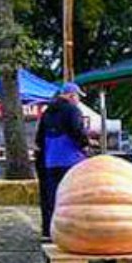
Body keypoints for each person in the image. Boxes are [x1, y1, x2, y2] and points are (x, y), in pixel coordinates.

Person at [35, 82, 90, 239]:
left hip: (50, 161)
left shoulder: (47, 112)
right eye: (78, 96)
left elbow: (39, 139)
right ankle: (71, 232)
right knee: (72, 199)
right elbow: (77, 131)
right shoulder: (72, 110)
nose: (78, 100)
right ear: (72, 95)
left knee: (52, 197)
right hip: (71, 161)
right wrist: (85, 144)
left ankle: (50, 230)